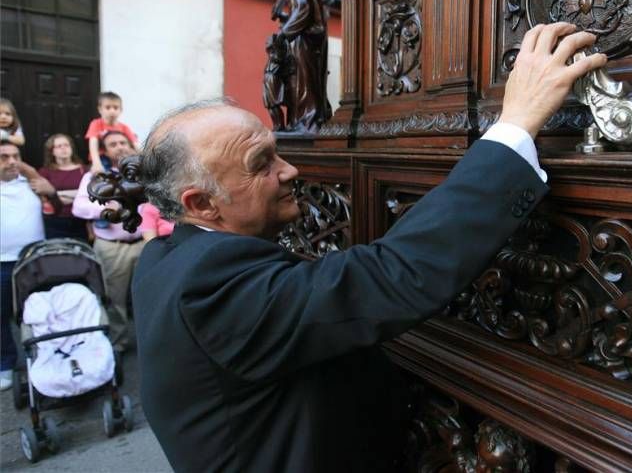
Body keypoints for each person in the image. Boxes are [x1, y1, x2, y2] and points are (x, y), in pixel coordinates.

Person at [132, 23, 606, 472]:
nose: (290, 171)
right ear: (202, 203)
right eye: (262, 164)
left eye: (276, 151)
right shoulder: (209, 288)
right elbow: (388, 276)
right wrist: (517, 124)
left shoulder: (165, 255)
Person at [73, 131, 144, 353]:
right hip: (113, 248)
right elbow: (79, 207)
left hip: (145, 242)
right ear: (104, 150)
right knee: (115, 299)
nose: (120, 147)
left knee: (148, 295)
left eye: (123, 142)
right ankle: (118, 343)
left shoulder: (142, 173)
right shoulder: (96, 176)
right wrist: (105, 208)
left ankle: (150, 342)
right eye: (113, 144)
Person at [0, 141, 46, 390]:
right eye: (4, 157)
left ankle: (45, 358)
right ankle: (5, 364)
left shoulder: (30, 183)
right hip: (1, 263)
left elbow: (50, 196)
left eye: (15, 156)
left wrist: (25, 169)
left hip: (34, 260)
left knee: (39, 311)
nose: (11, 161)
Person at [274, 0, 330, 132]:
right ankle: (302, 120)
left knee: (305, 80)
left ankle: (308, 122)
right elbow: (302, 11)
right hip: (303, 37)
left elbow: (303, 11)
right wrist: (284, 19)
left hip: (307, 40)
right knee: (300, 80)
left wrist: (284, 33)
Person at [38, 134, 89, 240]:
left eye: (66, 145)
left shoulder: (84, 170)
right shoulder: (45, 172)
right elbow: (44, 199)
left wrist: (57, 193)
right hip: (55, 222)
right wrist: (77, 195)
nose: (63, 148)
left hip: (81, 222)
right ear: (52, 151)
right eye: (59, 146)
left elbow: (90, 194)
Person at [84, 92, 139, 174]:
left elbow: (135, 144)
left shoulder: (124, 127)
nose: (112, 111)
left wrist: (144, 158)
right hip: (102, 157)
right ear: (100, 109)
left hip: (120, 157)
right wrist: (96, 163)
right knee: (104, 175)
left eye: (115, 108)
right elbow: (93, 144)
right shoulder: (96, 124)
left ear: (121, 110)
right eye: (108, 107)